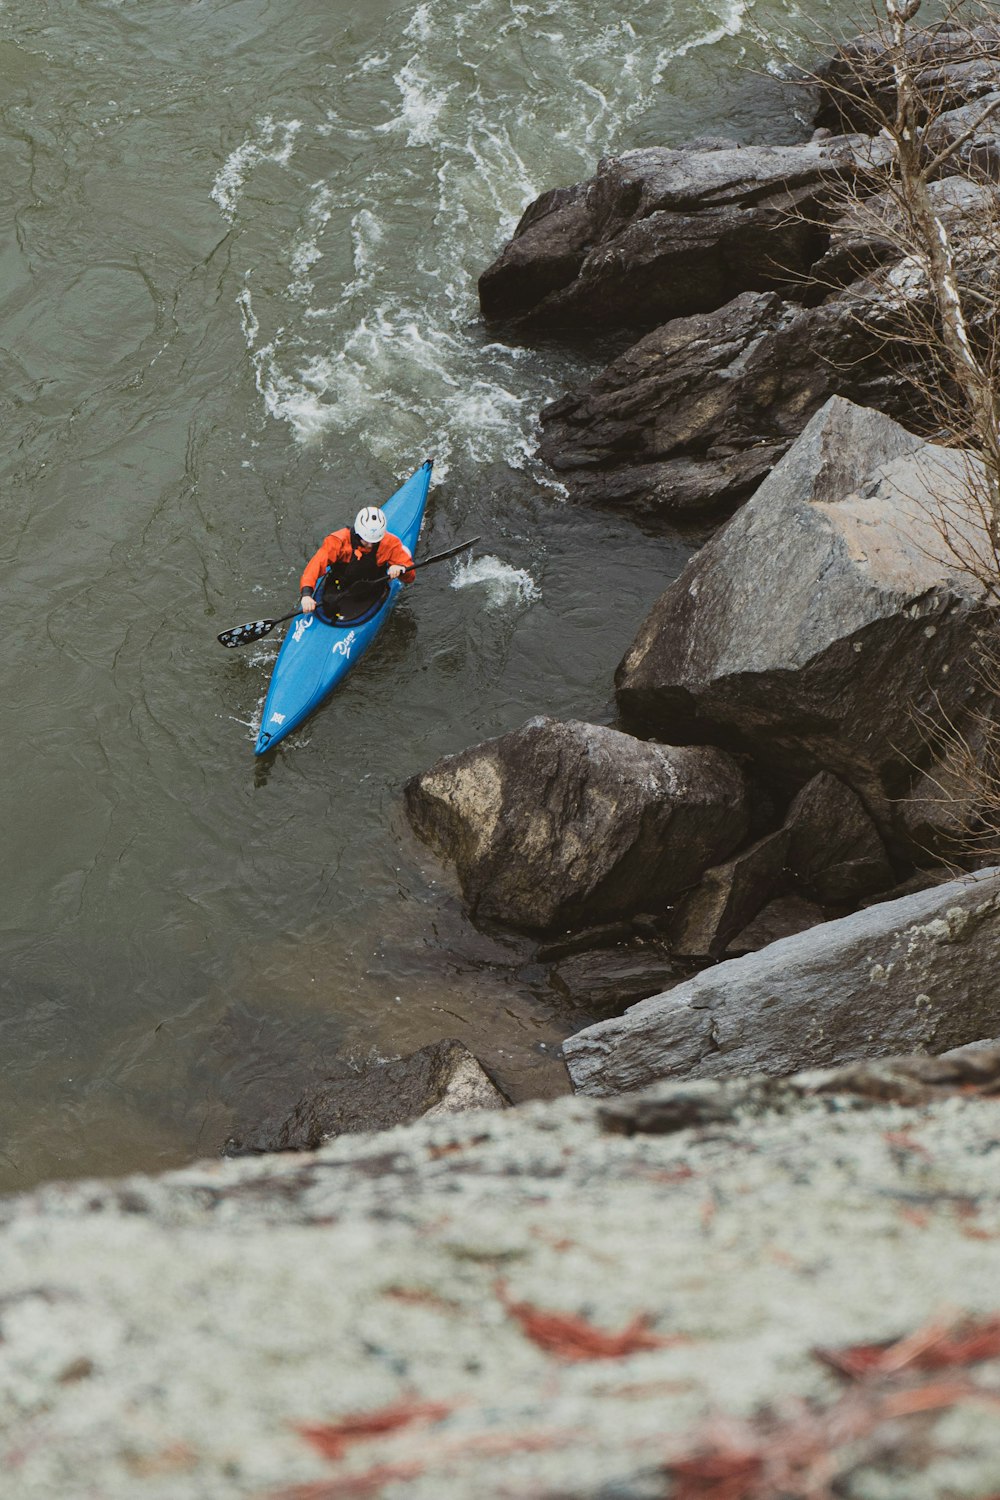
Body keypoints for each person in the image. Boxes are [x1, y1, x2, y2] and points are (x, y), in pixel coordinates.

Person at [299, 505, 415, 622]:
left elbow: (410, 578)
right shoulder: (338, 541)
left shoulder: (390, 543)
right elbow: (316, 564)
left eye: (374, 543)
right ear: (358, 534)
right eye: (366, 541)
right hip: (340, 586)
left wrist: (400, 568)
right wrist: (306, 594)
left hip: (372, 588)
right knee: (329, 607)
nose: (370, 546)